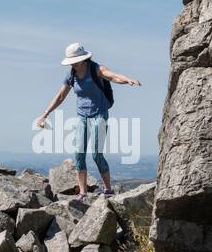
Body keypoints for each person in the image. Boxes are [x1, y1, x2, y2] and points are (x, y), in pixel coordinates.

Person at [35, 42, 141, 198]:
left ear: (83, 59)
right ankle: (83, 192)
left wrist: (128, 80)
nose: (73, 65)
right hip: (82, 116)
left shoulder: (96, 69)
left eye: (75, 61)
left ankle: (108, 189)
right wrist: (45, 114)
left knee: (96, 154)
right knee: (79, 153)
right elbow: (60, 96)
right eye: (71, 62)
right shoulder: (71, 74)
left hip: (99, 114)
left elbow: (113, 76)